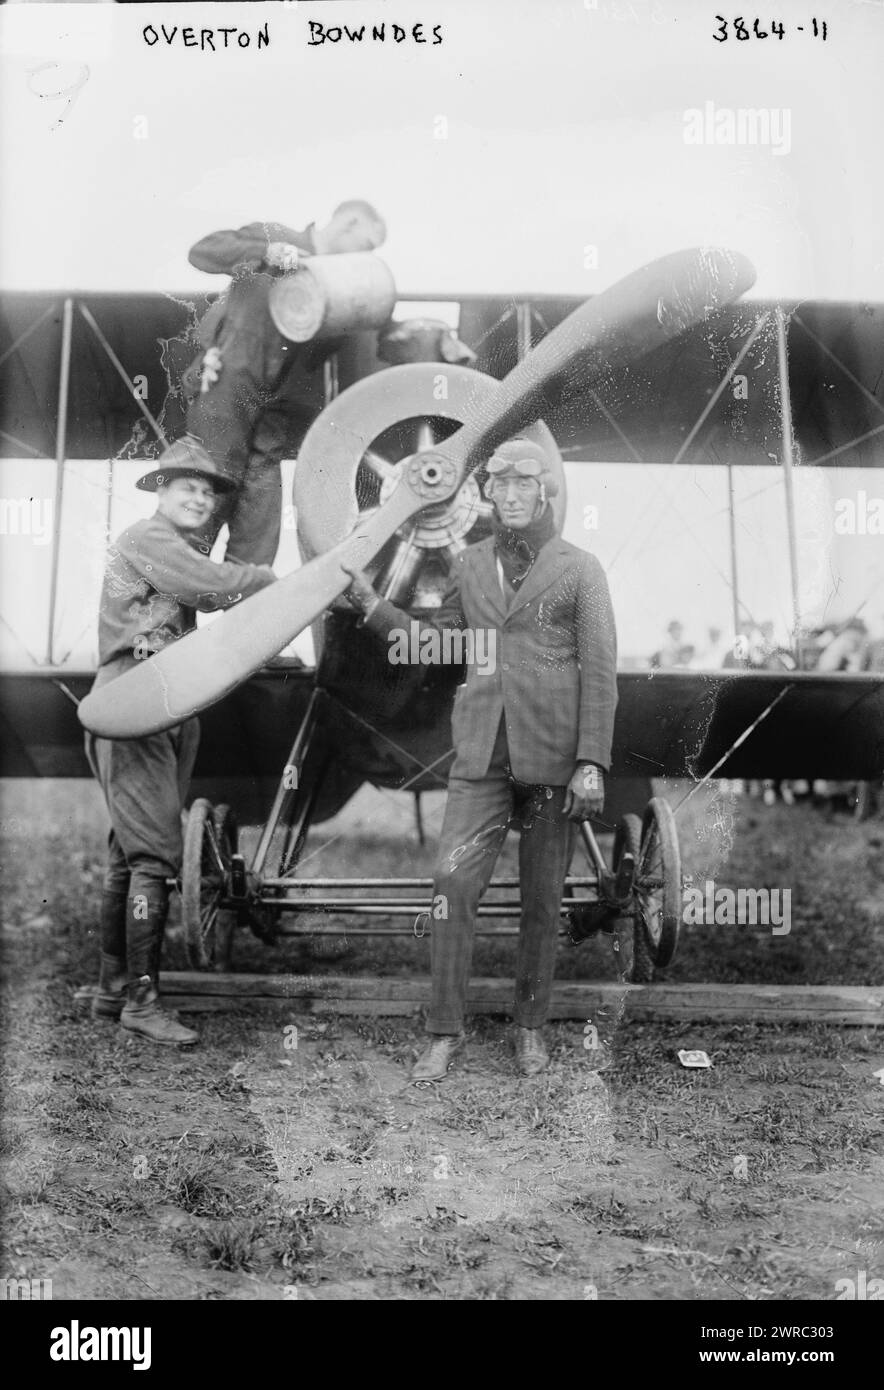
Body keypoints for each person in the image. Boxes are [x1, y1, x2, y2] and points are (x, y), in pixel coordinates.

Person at [343, 438, 618, 1081]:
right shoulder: (470, 565)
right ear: (487, 496)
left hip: (553, 760)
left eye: (526, 485)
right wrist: (371, 607)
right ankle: (443, 1032)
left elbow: (600, 672)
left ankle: (530, 1030)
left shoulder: (582, 569)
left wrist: (591, 763)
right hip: (481, 755)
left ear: (546, 491)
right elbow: (442, 647)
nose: (514, 497)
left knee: (543, 900)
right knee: (450, 885)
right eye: (502, 487)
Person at [84, 438, 276, 1046]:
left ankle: (115, 987)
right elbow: (210, 586)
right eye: (185, 486)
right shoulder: (148, 540)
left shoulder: (168, 545)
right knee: (151, 860)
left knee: (127, 855)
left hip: (161, 699)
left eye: (207, 490)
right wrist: (270, 576)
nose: (197, 495)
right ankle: (142, 1000)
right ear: (160, 492)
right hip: (139, 695)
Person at [184, 200, 387, 566]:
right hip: (225, 398)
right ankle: (168, 624)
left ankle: (248, 623)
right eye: (368, 245)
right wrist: (264, 252)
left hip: (273, 421)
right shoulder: (274, 236)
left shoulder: (346, 285)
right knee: (197, 518)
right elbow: (202, 252)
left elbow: (381, 327)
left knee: (257, 547)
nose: (367, 255)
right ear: (349, 223)